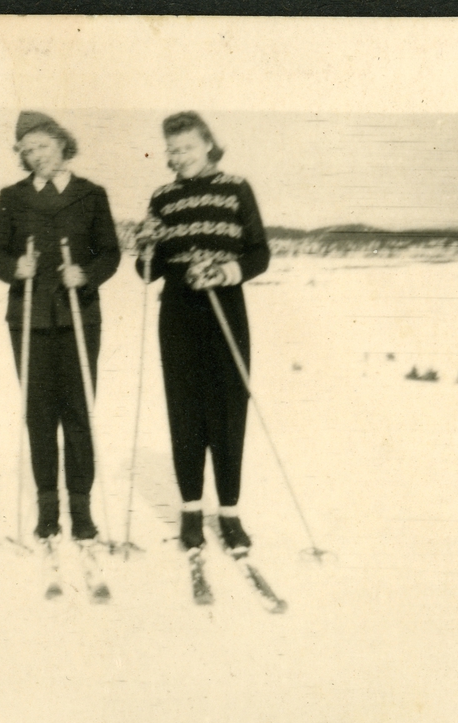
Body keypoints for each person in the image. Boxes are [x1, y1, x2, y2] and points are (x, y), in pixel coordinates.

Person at [135, 111, 270, 556]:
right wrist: (147, 244)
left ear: (208, 144)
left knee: (229, 411)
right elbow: (146, 272)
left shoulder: (235, 188)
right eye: (172, 150)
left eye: (188, 147)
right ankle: (191, 510)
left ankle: (229, 514)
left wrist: (224, 271)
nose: (179, 156)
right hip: (178, 312)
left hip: (225, 308)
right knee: (186, 411)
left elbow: (259, 252)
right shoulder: (163, 197)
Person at [0, 111, 121, 542]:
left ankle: (80, 507)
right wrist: (15, 267)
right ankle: (48, 508)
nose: (35, 156)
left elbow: (110, 253)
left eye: (41, 146)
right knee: (39, 416)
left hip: (79, 317)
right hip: (29, 319)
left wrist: (86, 274)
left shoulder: (91, 194)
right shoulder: (12, 196)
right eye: (26, 151)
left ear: (62, 143)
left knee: (78, 414)